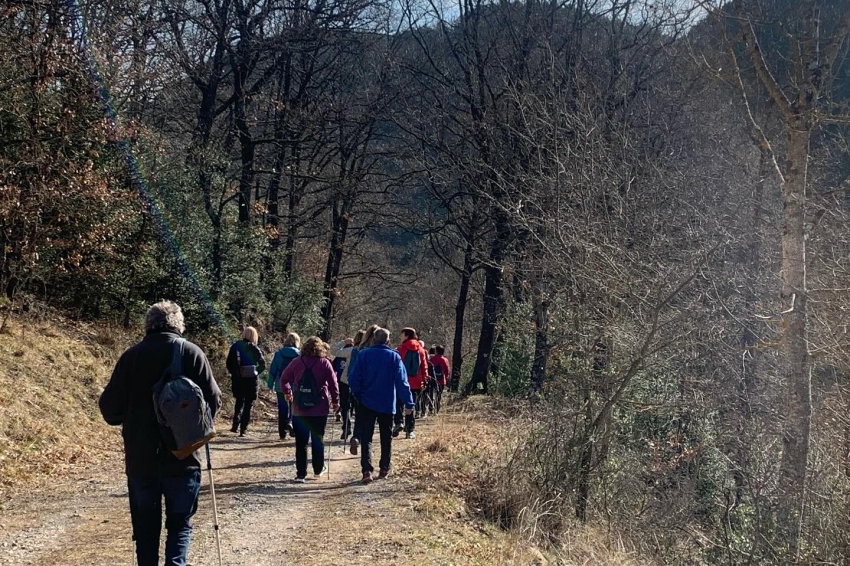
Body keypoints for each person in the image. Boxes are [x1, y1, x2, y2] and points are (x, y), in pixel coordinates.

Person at [99, 301, 222, 566]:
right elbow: (214, 401)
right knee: (179, 525)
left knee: (145, 533)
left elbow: (109, 410)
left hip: (141, 460)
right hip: (184, 457)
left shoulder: (131, 357)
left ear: (148, 325)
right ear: (179, 324)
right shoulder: (192, 353)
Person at [348, 327, 414, 484]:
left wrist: (358, 394)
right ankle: (384, 468)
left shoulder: (364, 355)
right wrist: (409, 402)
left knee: (367, 437)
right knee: (386, 437)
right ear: (388, 341)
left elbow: (353, 378)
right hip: (387, 403)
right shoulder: (394, 357)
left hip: (366, 402)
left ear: (373, 339)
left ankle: (366, 470)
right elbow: (402, 382)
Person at [279, 337, 340, 482]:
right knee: (318, 439)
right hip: (320, 408)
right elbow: (333, 384)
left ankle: (301, 474)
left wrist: (288, 393)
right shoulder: (325, 363)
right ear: (320, 348)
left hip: (299, 408)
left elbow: (283, 379)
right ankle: (318, 470)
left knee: (301, 442)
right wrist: (336, 402)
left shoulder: (296, 362)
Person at [226, 327, 266, 436]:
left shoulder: (235, 346)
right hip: (251, 380)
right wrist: (256, 372)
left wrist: (235, 373)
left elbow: (228, 363)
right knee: (248, 404)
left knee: (239, 401)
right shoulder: (255, 348)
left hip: (238, 379)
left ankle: (235, 425)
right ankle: (243, 429)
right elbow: (263, 364)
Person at [347, 324, 379, 455]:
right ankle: (367, 447)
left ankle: (356, 437)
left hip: (360, 388)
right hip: (375, 389)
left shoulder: (358, 349)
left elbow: (352, 371)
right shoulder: (378, 350)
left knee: (360, 415)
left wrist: (353, 387)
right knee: (371, 421)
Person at [394, 327, 428, 439]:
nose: (400, 336)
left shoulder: (400, 349)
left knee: (398, 403)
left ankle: (399, 422)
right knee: (411, 405)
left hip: (401, 381)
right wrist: (424, 379)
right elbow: (424, 366)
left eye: (402, 334)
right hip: (416, 382)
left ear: (406, 335)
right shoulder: (420, 349)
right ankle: (410, 430)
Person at [267, 332, 301, 439]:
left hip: (280, 384)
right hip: (295, 385)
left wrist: (270, 385)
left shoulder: (278, 353)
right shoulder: (299, 355)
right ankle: (291, 423)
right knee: (294, 407)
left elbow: (273, 370)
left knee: (282, 409)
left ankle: (282, 433)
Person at [331, 332, 360, 442]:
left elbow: (333, 351)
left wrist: (344, 342)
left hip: (346, 381)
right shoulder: (367, 351)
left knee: (345, 406)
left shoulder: (351, 350)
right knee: (358, 407)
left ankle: (346, 427)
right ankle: (358, 432)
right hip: (361, 383)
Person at [430, 345, 451, 414]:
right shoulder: (445, 360)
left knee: (431, 394)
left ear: (436, 351)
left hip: (432, 380)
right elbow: (447, 370)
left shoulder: (432, 359)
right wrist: (446, 377)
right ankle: (436, 409)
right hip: (441, 381)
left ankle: (430, 408)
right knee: (439, 396)